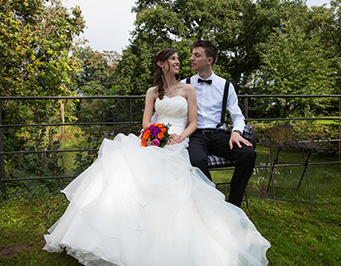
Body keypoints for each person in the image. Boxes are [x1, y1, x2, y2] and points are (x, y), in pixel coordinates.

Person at [43, 48, 270, 266]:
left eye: (180, 58)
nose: (179, 62)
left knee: (192, 168)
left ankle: (228, 208)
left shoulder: (188, 89)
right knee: (123, 164)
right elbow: (146, 121)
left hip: (179, 140)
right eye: (173, 59)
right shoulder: (153, 91)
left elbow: (193, 122)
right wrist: (155, 135)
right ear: (161, 64)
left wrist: (179, 137)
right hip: (155, 139)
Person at [185, 40, 256, 207]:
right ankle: (214, 201)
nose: (191, 58)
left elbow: (237, 115)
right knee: (196, 160)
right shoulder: (184, 84)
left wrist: (236, 132)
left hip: (219, 135)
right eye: (192, 54)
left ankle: (234, 204)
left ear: (209, 60)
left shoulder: (225, 86)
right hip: (196, 135)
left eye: (197, 55)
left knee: (248, 154)